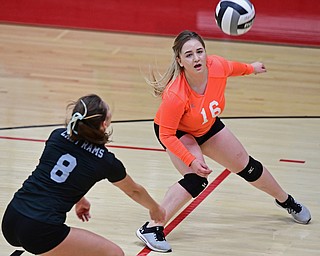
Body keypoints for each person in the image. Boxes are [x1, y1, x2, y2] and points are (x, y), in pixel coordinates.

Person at [135, 30, 311, 253]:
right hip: (178, 132)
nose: (197, 58)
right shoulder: (175, 94)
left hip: (206, 125)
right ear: (179, 61)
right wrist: (190, 159)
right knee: (196, 179)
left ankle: (286, 201)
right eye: (189, 55)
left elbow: (234, 68)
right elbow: (166, 135)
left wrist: (252, 68)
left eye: (200, 52)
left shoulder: (215, 66)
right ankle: (152, 228)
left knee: (249, 167)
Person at [1, 94, 166, 256]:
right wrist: (155, 208)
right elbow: (134, 191)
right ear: (104, 125)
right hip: (40, 228)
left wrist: (79, 198)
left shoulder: (57, 136)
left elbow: (54, 174)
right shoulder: (105, 161)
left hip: (12, 217)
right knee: (114, 253)